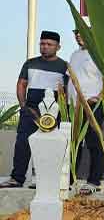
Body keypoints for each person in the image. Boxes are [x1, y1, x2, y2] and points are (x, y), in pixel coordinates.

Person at [1, 31, 68, 188]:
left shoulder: (64, 66)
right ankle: (17, 178)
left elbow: (68, 90)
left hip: (53, 113)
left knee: (48, 146)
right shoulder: (30, 63)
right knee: (23, 143)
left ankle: (42, 180)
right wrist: (23, 105)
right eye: (42, 44)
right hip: (30, 110)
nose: (44, 47)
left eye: (49, 44)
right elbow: (22, 84)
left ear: (58, 47)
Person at [67, 27, 104, 194]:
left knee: (93, 143)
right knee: (73, 145)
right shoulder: (74, 55)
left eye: (83, 32)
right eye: (76, 33)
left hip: (92, 106)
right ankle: (70, 179)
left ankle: (93, 182)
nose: (79, 36)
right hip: (73, 107)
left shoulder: (100, 54)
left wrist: (99, 97)